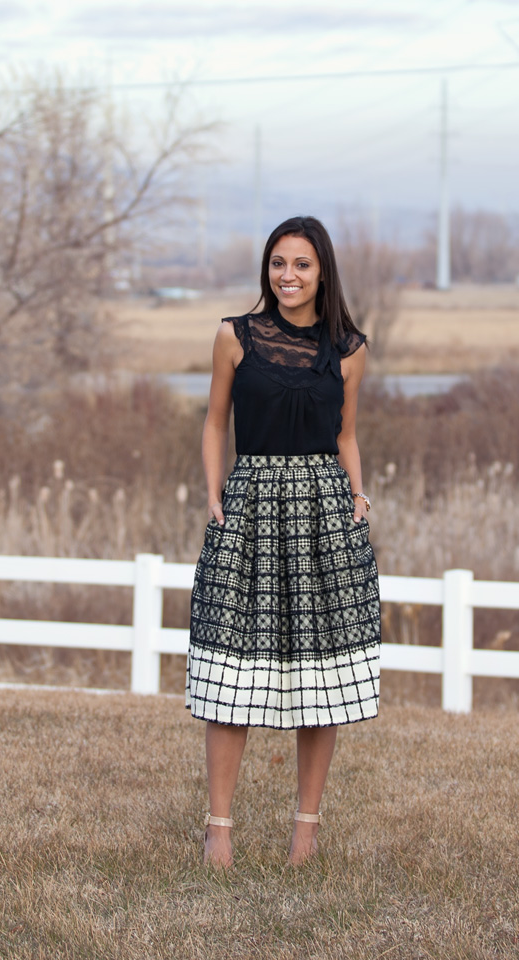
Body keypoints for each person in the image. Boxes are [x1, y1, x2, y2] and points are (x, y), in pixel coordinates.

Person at [186, 215, 381, 867]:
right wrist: (214, 493)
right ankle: (219, 828)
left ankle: (306, 830)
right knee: (229, 673)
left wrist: (358, 495)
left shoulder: (350, 349)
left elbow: (346, 434)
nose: (287, 275)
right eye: (277, 263)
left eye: (300, 264)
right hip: (249, 508)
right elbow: (215, 423)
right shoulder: (233, 336)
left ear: (322, 271)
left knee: (320, 678)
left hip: (326, 513)